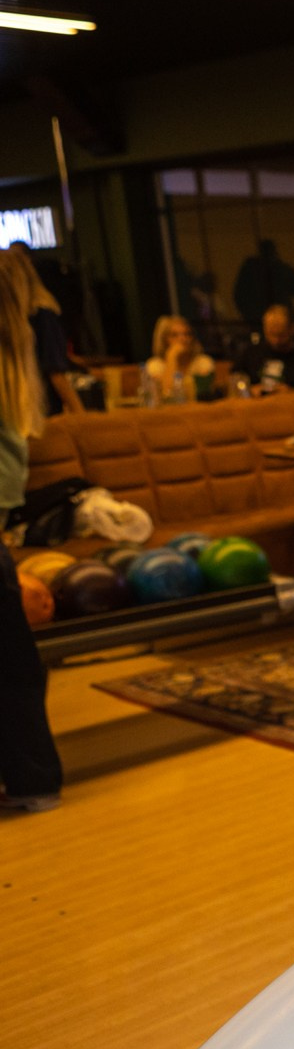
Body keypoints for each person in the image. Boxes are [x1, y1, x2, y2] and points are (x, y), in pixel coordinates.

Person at [0, 254, 64, 813]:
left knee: (13, 663)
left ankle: (35, 781)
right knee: (14, 663)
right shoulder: (13, 359)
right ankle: (34, 781)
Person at [0, 250, 84, 416]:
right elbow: (56, 374)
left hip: (33, 412)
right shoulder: (41, 314)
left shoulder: (37, 314)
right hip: (40, 413)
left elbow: (55, 370)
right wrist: (82, 416)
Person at [144, 315, 217, 404]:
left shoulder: (203, 362)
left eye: (187, 334)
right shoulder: (155, 365)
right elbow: (166, 393)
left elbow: (204, 395)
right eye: (174, 335)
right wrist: (171, 357)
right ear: (164, 339)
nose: (183, 339)